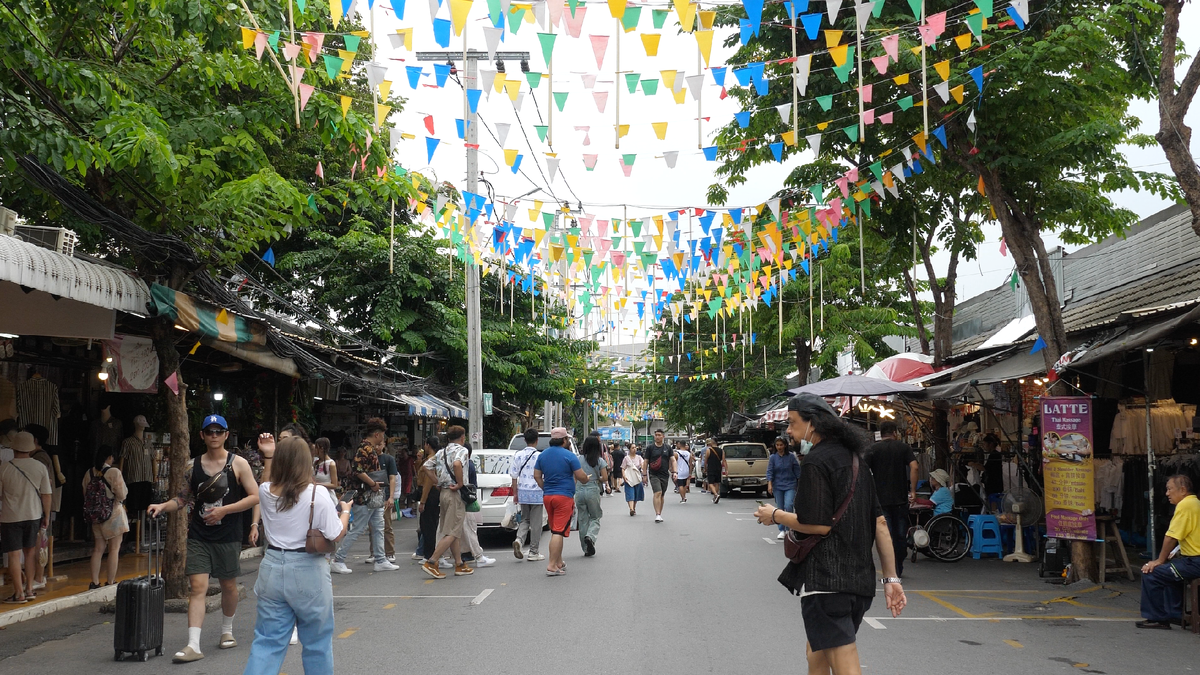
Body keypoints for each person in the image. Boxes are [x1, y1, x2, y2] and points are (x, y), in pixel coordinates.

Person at [754, 394, 905, 675]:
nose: (788, 430)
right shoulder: (858, 462)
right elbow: (880, 524)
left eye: (793, 422)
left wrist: (774, 515)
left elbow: (818, 524)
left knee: (843, 657)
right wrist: (891, 578)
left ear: (813, 423)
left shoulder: (816, 462)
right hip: (859, 584)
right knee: (817, 651)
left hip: (827, 580)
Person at [147, 415, 260, 663]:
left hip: (228, 536)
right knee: (198, 588)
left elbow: (255, 496)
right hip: (198, 535)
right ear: (202, 435)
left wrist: (224, 510)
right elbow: (183, 498)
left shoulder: (238, 464)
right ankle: (193, 644)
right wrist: (163, 506)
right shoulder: (192, 466)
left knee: (229, 585)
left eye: (219, 431)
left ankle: (227, 631)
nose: (214, 436)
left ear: (226, 434)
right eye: (209, 432)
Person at [242, 437, 352, 674]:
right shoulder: (317, 494)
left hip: (271, 566)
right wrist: (345, 511)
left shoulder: (265, 491)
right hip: (308, 569)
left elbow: (267, 481)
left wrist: (268, 455)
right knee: (317, 643)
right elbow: (335, 534)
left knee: (267, 642)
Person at [329, 418, 397, 574]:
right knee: (359, 528)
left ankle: (380, 559)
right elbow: (358, 471)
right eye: (383, 435)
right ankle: (338, 559)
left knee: (378, 527)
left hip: (372, 496)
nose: (383, 439)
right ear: (377, 434)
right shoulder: (364, 449)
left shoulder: (368, 448)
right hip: (365, 496)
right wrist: (373, 484)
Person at [1137, 474, 1200, 629]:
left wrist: (1159, 560)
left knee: (1151, 573)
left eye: (1170, 489)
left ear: (1183, 490)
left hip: (1195, 562)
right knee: (1171, 572)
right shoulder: (1195, 503)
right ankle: (1175, 613)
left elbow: (1171, 537)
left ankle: (1156, 617)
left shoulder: (1185, 505)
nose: (1167, 493)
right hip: (1191, 559)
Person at [0, 432, 51, 604]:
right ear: (30, 448)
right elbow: (46, 495)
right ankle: (29, 589)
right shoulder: (40, 467)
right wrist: (47, 515)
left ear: (14, 447)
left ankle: (19, 594)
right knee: (29, 554)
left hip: (10, 517)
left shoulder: (4, 468)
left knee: (14, 556)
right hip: (33, 515)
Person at [419, 426, 472, 579]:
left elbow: (426, 467)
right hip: (455, 492)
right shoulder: (462, 451)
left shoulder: (441, 452)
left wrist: (438, 482)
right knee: (452, 530)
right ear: (462, 438)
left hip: (443, 493)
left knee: (452, 529)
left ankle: (459, 563)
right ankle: (432, 561)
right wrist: (460, 483)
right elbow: (457, 464)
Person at [864, 421, 917, 576]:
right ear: (895, 432)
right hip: (900, 499)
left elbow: (863, 470)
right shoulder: (903, 448)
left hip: (880, 501)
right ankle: (898, 566)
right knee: (900, 536)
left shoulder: (872, 449)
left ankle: (889, 569)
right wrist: (913, 491)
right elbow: (914, 466)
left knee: (885, 535)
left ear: (881, 433)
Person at [534, 428, 589, 575]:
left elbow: (537, 475)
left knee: (555, 529)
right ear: (565, 440)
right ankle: (552, 565)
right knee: (558, 531)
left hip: (548, 497)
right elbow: (581, 476)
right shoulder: (569, 456)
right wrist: (586, 479)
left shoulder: (542, 455)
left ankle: (558, 562)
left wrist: (545, 488)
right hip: (564, 497)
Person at [83, 445, 128, 588]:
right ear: (109, 457)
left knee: (98, 549)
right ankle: (110, 581)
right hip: (113, 514)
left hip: (96, 516)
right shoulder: (114, 472)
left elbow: (85, 493)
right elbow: (122, 494)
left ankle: (94, 582)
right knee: (114, 549)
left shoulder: (89, 473)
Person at [508, 428, 545, 562]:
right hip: (537, 491)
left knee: (524, 519)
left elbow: (514, 476)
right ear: (537, 440)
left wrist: (515, 493)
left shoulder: (518, 455)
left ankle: (519, 539)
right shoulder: (540, 456)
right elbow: (543, 475)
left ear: (524, 440)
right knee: (536, 523)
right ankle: (533, 551)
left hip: (523, 491)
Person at [575, 435, 608, 557]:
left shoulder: (578, 459)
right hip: (593, 489)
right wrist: (597, 478)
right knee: (595, 517)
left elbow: (574, 476)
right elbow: (604, 478)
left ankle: (585, 549)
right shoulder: (600, 461)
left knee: (583, 519)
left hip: (579, 489)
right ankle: (591, 536)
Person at [766, 437, 802, 540]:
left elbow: (797, 471)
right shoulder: (773, 458)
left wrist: (801, 483)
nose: (779, 447)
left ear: (785, 445)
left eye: (781, 445)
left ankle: (789, 528)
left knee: (789, 505)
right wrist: (770, 484)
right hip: (778, 485)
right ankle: (782, 530)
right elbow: (770, 471)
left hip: (790, 484)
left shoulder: (791, 457)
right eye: (777, 445)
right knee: (780, 508)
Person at [415, 438, 442, 563]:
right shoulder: (431, 459)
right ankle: (429, 552)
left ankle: (429, 554)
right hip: (431, 493)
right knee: (429, 525)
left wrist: (423, 501)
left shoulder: (431, 461)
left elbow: (428, 482)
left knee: (428, 525)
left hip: (430, 493)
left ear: (428, 445)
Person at [643, 430, 676, 523]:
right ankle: (657, 514)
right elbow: (645, 461)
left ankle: (659, 513)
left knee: (662, 495)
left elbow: (673, 460)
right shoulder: (650, 448)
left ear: (663, 436)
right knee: (657, 492)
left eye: (659, 435)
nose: (657, 437)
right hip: (654, 474)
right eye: (656, 435)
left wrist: (675, 472)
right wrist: (644, 474)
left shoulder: (668, 448)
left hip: (665, 475)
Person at [376, 444, 399, 564]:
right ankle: (374, 552)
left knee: (387, 525)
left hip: (384, 495)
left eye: (379, 444)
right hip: (371, 496)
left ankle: (390, 552)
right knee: (373, 526)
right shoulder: (369, 459)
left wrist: (391, 497)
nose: (377, 447)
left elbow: (392, 478)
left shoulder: (388, 459)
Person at [622, 446, 645, 516]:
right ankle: (631, 509)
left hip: (637, 478)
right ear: (629, 449)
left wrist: (643, 471)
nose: (634, 449)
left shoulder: (639, 457)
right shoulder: (626, 458)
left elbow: (643, 465)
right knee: (630, 493)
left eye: (635, 447)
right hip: (629, 478)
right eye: (632, 448)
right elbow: (623, 468)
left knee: (636, 493)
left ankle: (633, 508)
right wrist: (624, 476)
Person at [704, 439, 726, 503]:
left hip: (711, 468)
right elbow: (723, 461)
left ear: (711, 443)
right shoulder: (722, 451)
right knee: (717, 483)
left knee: (710, 483)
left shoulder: (709, 450)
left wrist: (705, 468)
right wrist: (726, 470)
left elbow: (706, 461)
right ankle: (715, 496)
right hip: (718, 468)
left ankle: (716, 494)